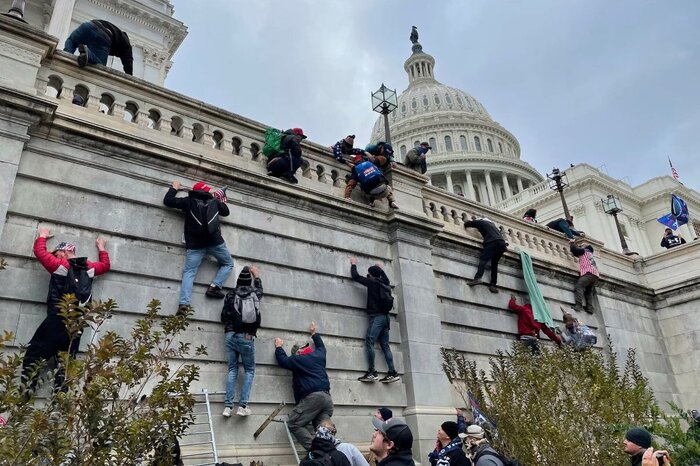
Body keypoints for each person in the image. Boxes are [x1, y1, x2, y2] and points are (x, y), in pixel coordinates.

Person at [21, 228, 110, 395]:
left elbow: (40, 252)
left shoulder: (59, 266)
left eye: (57, 253)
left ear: (63, 252)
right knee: (66, 361)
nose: (55, 256)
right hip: (77, 323)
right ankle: (59, 400)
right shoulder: (88, 268)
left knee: (34, 354)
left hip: (57, 318)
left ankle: (26, 394)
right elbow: (105, 265)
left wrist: (42, 235)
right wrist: (101, 247)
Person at [163, 181, 234, 314]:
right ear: (205, 191)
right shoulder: (214, 202)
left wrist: (174, 188)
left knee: (189, 273)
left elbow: (168, 201)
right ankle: (214, 287)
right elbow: (226, 212)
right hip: (215, 243)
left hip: (195, 245)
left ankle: (184, 304)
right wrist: (217, 198)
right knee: (228, 264)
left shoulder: (188, 201)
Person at [275, 322, 333, 451]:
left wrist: (279, 347)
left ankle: (317, 453)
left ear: (298, 352)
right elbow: (321, 346)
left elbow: (283, 361)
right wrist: (314, 334)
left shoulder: (298, 359)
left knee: (294, 423)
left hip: (314, 398)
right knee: (324, 428)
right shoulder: (319, 355)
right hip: (327, 399)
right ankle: (332, 454)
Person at [220, 266, 262, 417]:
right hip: (246, 337)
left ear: (237, 282)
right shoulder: (254, 294)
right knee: (249, 370)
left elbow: (223, 316)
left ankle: (227, 407)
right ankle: (242, 406)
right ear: (249, 282)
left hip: (230, 335)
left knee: (232, 369)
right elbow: (260, 290)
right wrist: (256, 276)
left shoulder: (230, 295)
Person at [350, 258, 400, 384]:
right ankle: (392, 372)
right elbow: (383, 276)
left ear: (371, 274)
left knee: (370, 342)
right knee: (385, 345)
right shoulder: (385, 283)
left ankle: (372, 372)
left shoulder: (372, 282)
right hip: (386, 318)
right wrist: (380, 269)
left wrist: (354, 264)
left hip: (377, 317)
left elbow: (356, 277)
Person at [63, 20, 133, 75]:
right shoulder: (126, 45)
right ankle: (88, 54)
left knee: (71, 40)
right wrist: (130, 80)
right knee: (100, 68)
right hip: (103, 35)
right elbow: (128, 63)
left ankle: (66, 54)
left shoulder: (116, 32)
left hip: (87, 25)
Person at [463, 217, 507, 293]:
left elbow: (469, 224)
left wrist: (466, 223)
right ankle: (493, 285)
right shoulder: (494, 227)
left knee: (484, 259)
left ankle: (478, 278)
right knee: (494, 264)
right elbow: (501, 237)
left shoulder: (482, 222)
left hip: (492, 242)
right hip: (502, 245)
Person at [569, 240, 599, 314]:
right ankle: (590, 308)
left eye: (582, 245)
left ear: (585, 247)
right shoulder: (589, 254)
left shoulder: (584, 251)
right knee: (588, 291)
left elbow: (575, 250)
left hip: (588, 273)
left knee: (579, 286)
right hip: (595, 275)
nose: (581, 246)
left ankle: (578, 305)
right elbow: (576, 253)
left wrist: (572, 243)